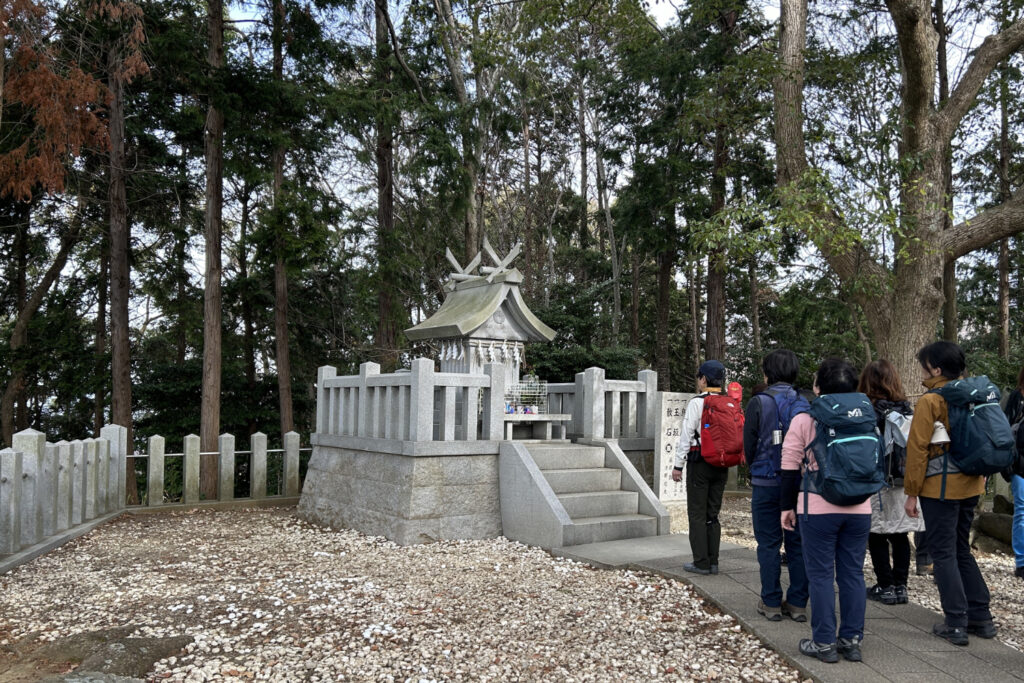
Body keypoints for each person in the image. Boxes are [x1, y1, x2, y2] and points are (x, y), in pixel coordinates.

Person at [780, 358, 872, 664]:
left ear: (818, 387)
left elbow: (790, 467)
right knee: (852, 574)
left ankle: (823, 643)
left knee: (820, 575)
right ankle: (851, 640)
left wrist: (786, 507)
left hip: (817, 508)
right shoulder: (865, 418)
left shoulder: (806, 419)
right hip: (860, 508)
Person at [904, 341, 995, 645]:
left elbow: (917, 449)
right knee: (960, 549)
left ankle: (956, 621)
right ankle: (981, 617)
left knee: (943, 553)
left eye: (925, 365)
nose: (922, 370)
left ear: (936, 369)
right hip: (971, 484)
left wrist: (911, 493)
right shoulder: (974, 395)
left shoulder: (932, 400)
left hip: (939, 487)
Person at [743, 349, 809, 623]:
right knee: (798, 544)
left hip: (766, 480)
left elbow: (749, 443)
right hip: (799, 483)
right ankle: (797, 603)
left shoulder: (759, 401)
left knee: (768, 543)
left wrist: (753, 469)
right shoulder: (805, 403)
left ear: (767, 374)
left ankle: (770, 602)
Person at [858, 360, 924, 605]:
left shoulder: (867, 410)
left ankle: (885, 585)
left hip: (876, 480)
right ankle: (901, 586)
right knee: (900, 534)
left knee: (876, 533)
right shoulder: (906, 409)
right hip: (903, 480)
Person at [672, 360, 731, 575]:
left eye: (699, 377)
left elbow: (687, 435)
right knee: (712, 514)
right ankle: (713, 561)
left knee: (697, 513)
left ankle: (701, 563)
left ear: (704, 379)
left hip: (700, 462)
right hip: (722, 464)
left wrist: (678, 465)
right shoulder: (728, 402)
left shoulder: (698, 403)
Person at [1003, 365, 1024, 581]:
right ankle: (1021, 561)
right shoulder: (1016, 397)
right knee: (1022, 511)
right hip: (1020, 464)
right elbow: (1005, 429)